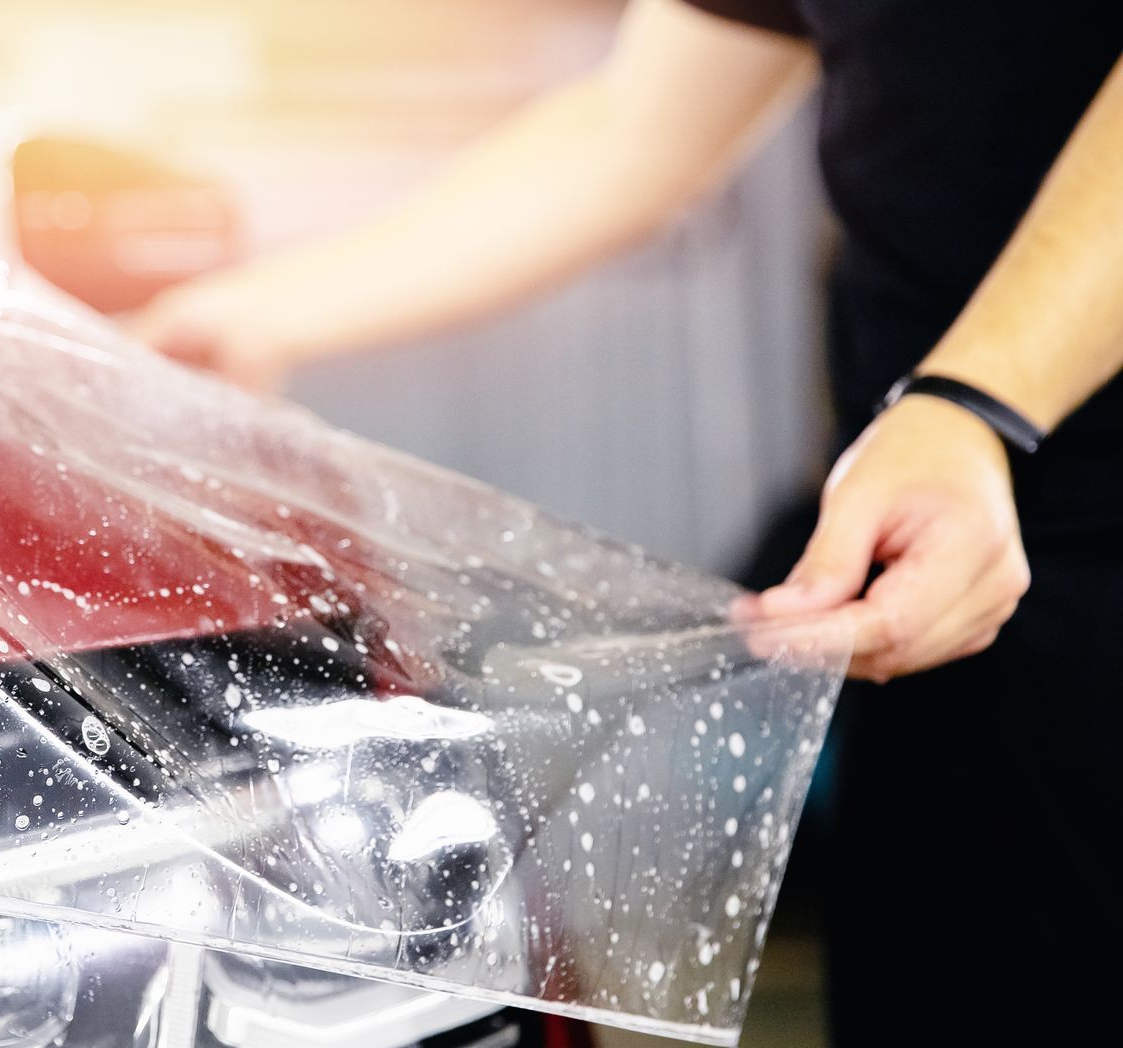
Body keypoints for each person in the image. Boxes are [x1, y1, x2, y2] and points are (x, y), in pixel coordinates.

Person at [130, 1, 1123, 1042]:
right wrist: (257, 313)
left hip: (1010, 475)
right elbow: (633, 125)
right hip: (930, 568)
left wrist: (983, 397)